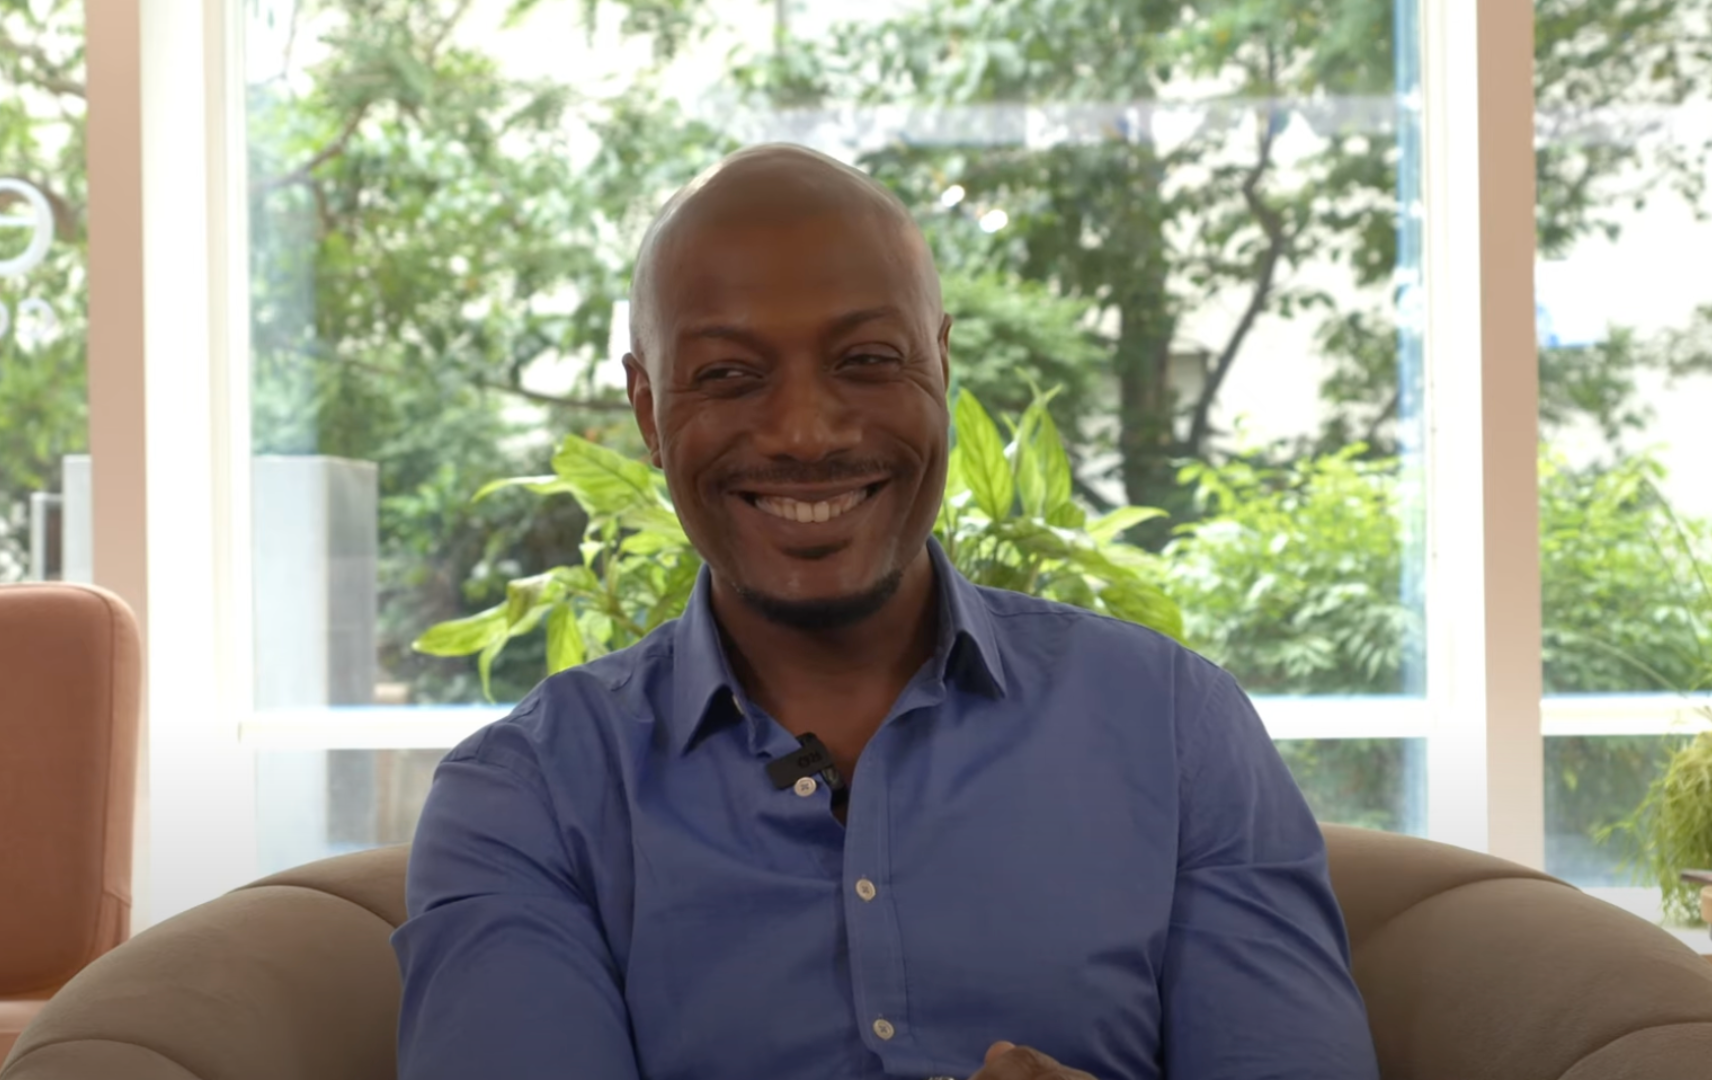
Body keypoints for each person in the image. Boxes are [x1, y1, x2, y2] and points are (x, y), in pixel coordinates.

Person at [392, 143, 1379, 1080]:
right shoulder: (529, 800)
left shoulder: (1172, 726)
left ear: (940, 366)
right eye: (729, 375)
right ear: (649, 413)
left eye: (866, 359)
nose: (805, 433)